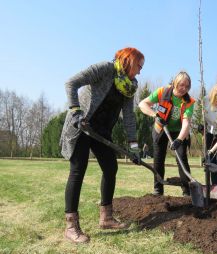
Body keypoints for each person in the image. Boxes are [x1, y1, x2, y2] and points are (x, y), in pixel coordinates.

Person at [60, 47, 145, 243]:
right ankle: (71, 227)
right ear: (129, 61)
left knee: (110, 168)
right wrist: (75, 112)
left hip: (101, 132)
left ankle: (106, 217)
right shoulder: (105, 69)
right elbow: (71, 83)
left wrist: (134, 148)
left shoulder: (129, 86)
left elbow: (129, 118)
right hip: (82, 126)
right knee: (78, 170)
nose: (140, 71)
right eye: (139, 66)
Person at [138, 71, 195, 196]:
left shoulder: (189, 102)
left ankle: (187, 191)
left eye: (187, 86)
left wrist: (179, 140)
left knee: (181, 159)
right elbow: (142, 104)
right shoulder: (162, 92)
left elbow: (186, 124)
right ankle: (158, 190)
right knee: (158, 159)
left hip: (179, 132)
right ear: (175, 83)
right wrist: (155, 115)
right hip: (161, 129)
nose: (184, 89)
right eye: (181, 85)